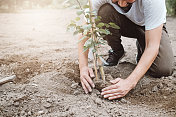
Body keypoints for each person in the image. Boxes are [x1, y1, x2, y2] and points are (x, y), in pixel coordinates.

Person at [78, 0, 174, 100]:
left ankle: (143, 43)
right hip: (122, 21)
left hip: (150, 27)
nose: (122, 4)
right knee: (104, 11)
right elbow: (84, 32)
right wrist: (83, 67)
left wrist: (129, 82)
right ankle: (117, 51)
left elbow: (152, 46)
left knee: (163, 69)